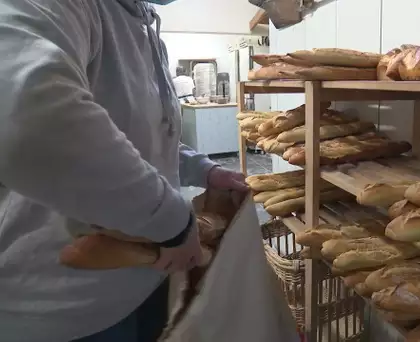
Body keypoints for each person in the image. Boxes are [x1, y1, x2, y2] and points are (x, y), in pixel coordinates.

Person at [0, 0, 248, 341]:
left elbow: (140, 139)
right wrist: (172, 222)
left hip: (146, 280)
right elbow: (27, 120)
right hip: (63, 308)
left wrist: (203, 171)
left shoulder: (144, 27)